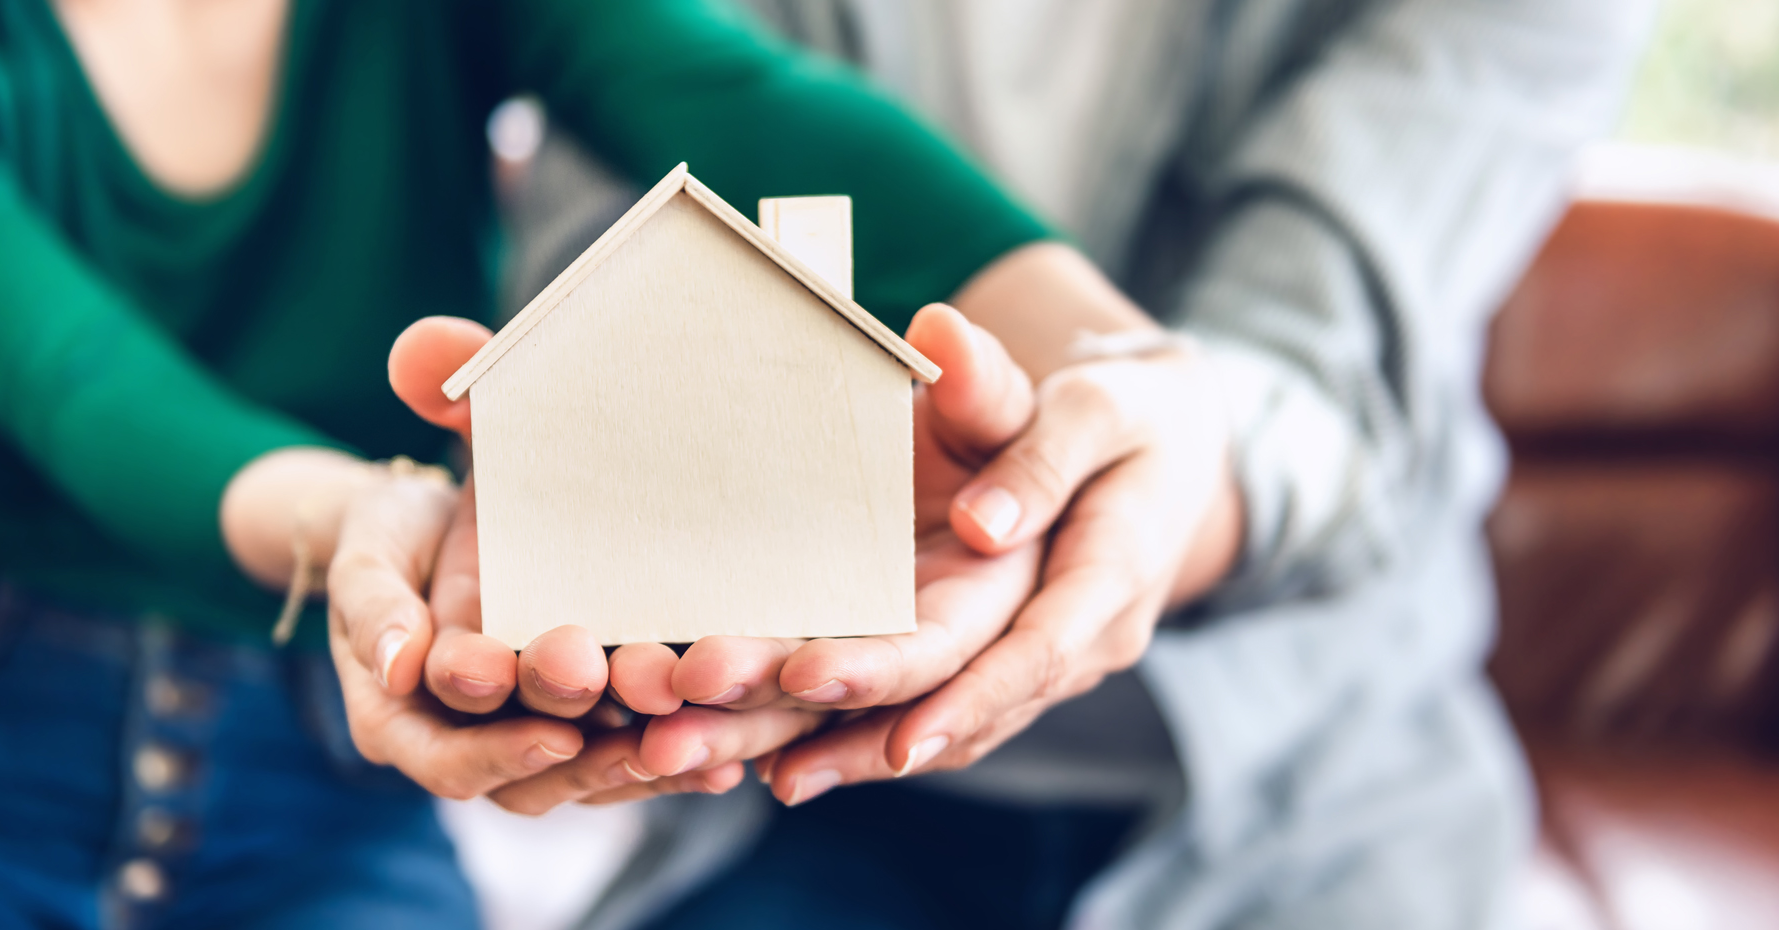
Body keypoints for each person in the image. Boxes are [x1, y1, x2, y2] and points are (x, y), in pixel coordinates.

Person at [0, 0, 1240, 925]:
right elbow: (76, 383)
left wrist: (1130, 364)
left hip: (331, 782)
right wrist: (373, 523)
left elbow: (756, 105)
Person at [451, 1, 1658, 928]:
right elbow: (623, 257)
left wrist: (1155, 461)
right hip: (817, 796)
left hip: (1311, 779)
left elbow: (1327, 365)